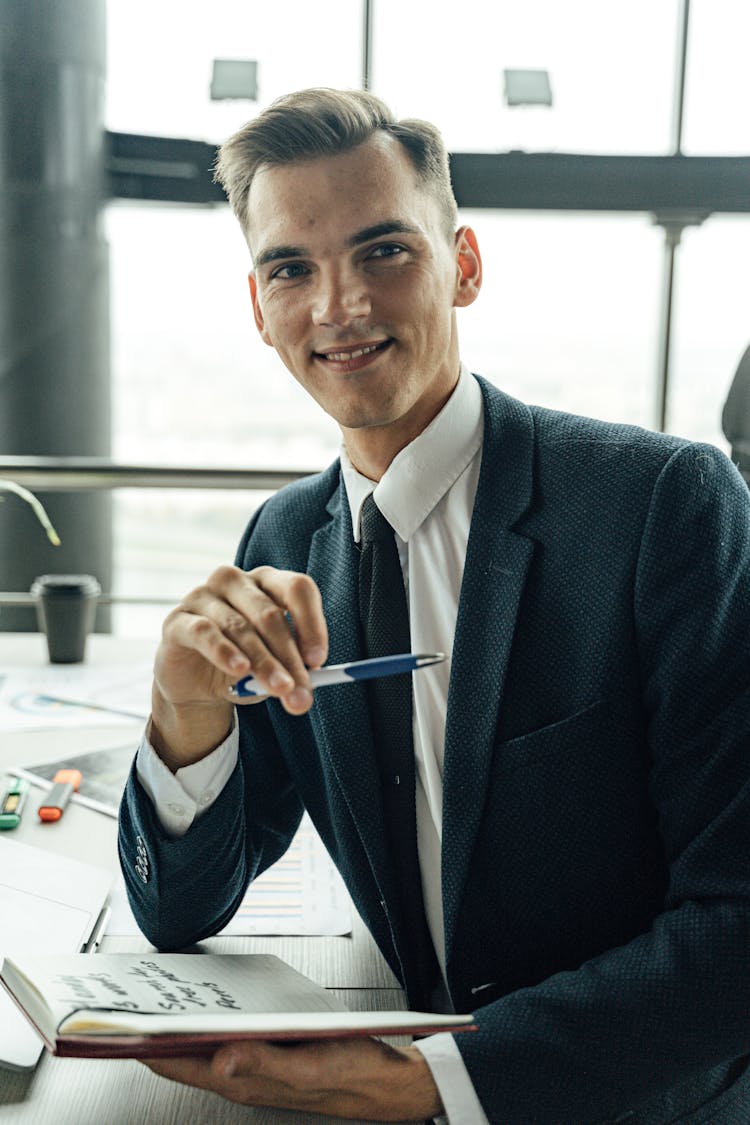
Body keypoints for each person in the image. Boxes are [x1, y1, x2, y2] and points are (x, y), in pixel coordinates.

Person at [118, 88, 750, 1124]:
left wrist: (438, 1085)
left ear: (463, 265)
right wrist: (185, 718)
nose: (340, 307)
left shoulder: (664, 509)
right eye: (292, 269)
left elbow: (737, 922)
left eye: (384, 253)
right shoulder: (281, 544)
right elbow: (180, 911)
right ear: (257, 306)